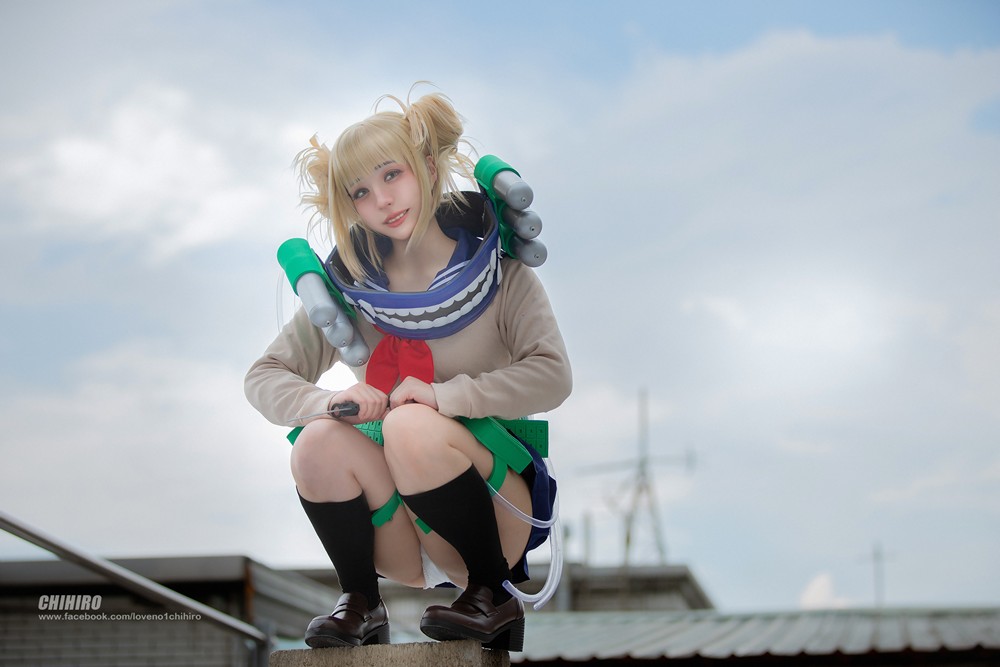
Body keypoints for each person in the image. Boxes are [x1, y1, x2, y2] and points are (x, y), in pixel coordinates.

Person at [244, 86, 572, 652]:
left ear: (427, 168)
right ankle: (361, 601)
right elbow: (264, 376)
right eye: (361, 191)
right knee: (316, 442)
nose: (382, 200)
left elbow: (552, 375)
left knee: (410, 422)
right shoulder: (350, 290)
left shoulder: (501, 272)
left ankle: (492, 595)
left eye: (392, 175)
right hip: (399, 531)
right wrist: (327, 403)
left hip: (498, 514)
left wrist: (446, 397)